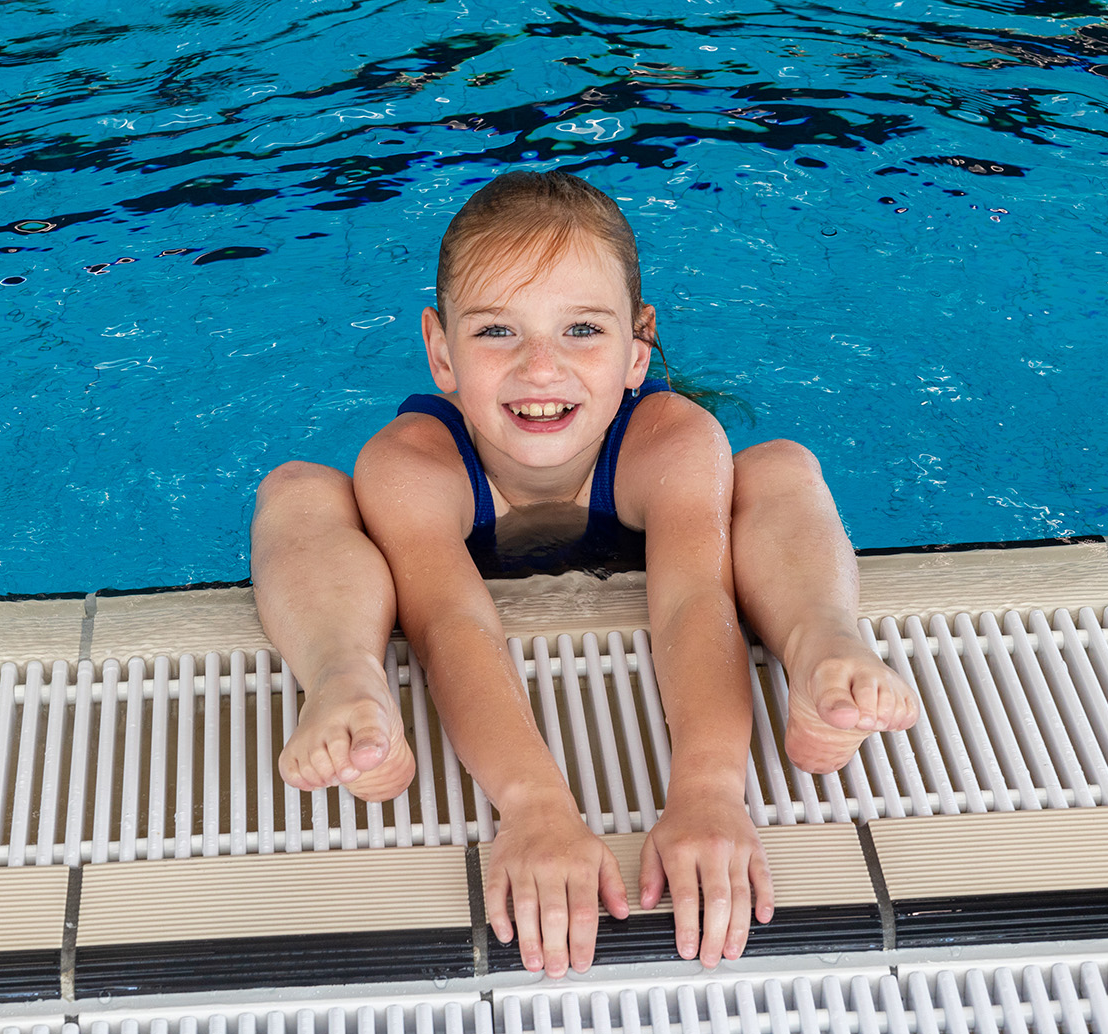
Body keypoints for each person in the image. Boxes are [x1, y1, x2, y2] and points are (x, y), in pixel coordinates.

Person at [249, 170, 917, 978]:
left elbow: (690, 602)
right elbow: (452, 625)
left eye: (582, 332)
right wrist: (534, 805)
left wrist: (708, 789)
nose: (540, 369)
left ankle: (822, 646)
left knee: (778, 468)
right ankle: (346, 679)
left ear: (639, 349)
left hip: (666, 528)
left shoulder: (671, 443)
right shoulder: (414, 466)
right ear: (441, 350)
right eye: (497, 332)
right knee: (298, 493)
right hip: (435, 572)